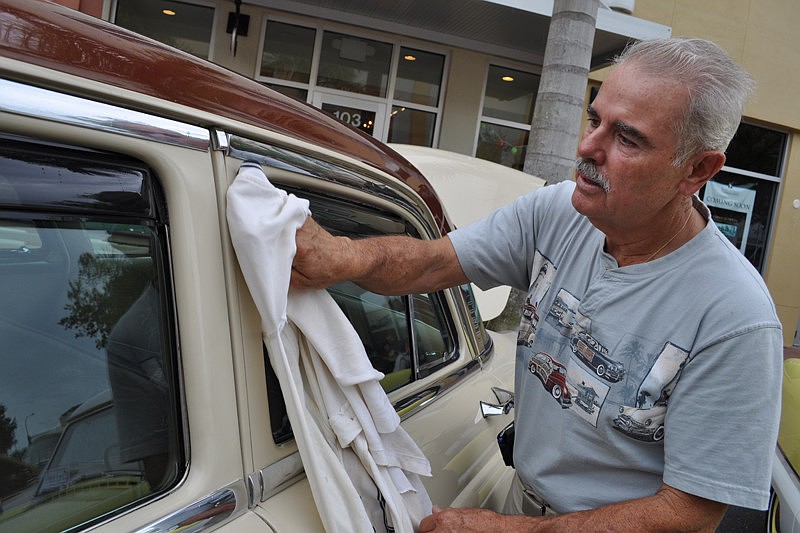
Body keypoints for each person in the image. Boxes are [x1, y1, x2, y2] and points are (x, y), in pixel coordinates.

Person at [290, 37, 783, 532]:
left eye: (627, 138)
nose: (588, 148)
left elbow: (690, 512)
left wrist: (509, 531)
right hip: (523, 502)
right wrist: (341, 256)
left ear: (697, 170)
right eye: (595, 121)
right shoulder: (558, 212)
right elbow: (431, 264)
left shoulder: (735, 316)